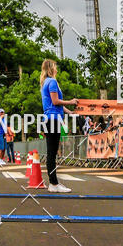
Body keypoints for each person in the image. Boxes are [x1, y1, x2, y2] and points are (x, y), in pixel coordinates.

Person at [40, 58, 78, 193]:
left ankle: (54, 182)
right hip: (53, 120)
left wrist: (69, 112)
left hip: (49, 118)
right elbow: (56, 102)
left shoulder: (45, 82)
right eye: (55, 67)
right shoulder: (52, 82)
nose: (56, 69)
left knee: (52, 152)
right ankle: (54, 183)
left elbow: (54, 105)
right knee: (52, 152)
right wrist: (71, 101)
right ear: (51, 68)